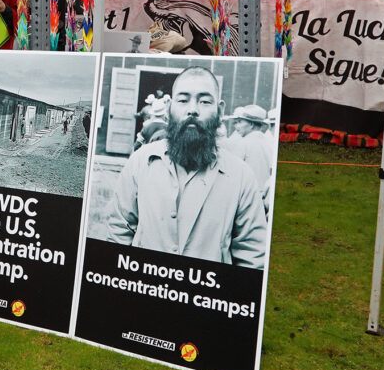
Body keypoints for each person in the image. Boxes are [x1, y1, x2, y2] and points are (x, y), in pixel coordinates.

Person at [105, 66, 267, 268]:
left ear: (220, 109)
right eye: (183, 100)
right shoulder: (140, 162)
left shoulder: (242, 177)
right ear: (170, 107)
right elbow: (118, 234)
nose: (193, 109)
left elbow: (253, 260)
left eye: (205, 101)